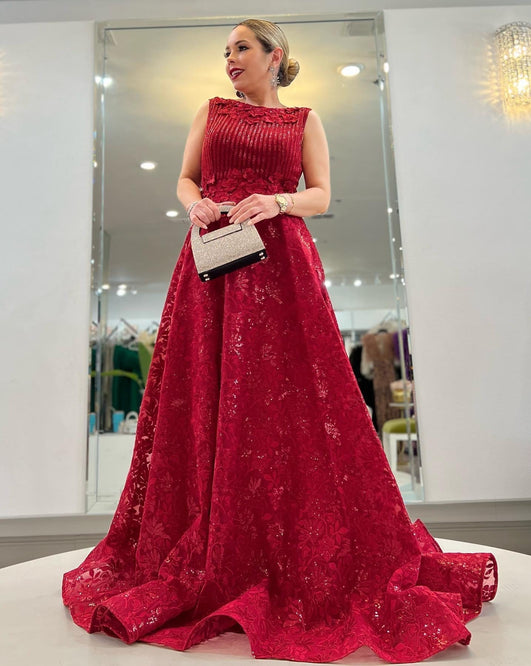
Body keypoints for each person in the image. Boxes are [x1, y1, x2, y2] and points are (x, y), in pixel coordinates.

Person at [62, 19, 497, 663]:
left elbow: (319, 195)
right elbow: (185, 179)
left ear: (275, 56)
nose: (230, 59)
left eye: (242, 48)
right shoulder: (210, 113)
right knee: (208, 389)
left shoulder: (303, 120)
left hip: (280, 264)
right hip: (212, 261)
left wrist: (276, 201)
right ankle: (217, 541)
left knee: (290, 400)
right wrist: (196, 204)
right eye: (226, 51)